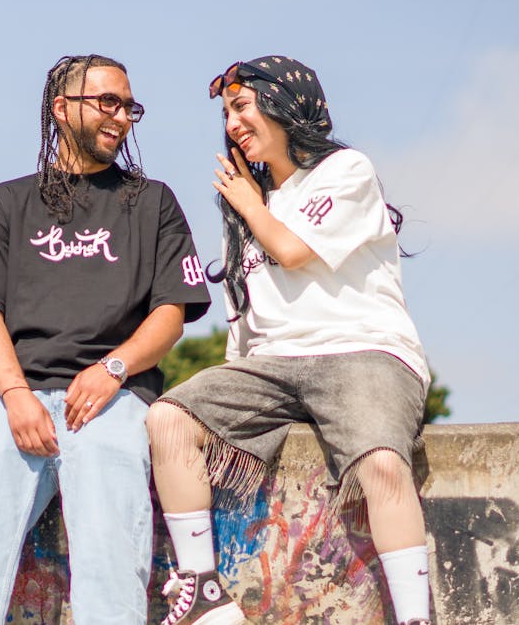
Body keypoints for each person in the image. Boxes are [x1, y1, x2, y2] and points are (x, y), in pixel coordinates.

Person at [0, 53, 212, 625]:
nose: (122, 116)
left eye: (129, 106)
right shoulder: (9, 201)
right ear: (61, 108)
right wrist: (13, 395)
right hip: (12, 398)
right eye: (108, 102)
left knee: (111, 557)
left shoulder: (152, 202)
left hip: (115, 399)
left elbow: (172, 315)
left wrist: (113, 370)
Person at [146, 55, 433, 625]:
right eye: (227, 113)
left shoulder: (344, 171)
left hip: (364, 350)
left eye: (242, 107)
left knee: (380, 465)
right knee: (167, 418)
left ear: (285, 105)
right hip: (273, 365)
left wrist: (250, 206)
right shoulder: (246, 213)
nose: (232, 124)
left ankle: (415, 617)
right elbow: (244, 321)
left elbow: (295, 250)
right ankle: (203, 589)